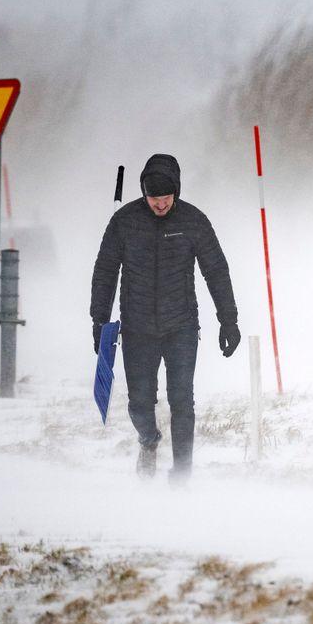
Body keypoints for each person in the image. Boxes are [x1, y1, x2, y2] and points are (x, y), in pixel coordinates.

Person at [90, 153, 240, 484]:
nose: (160, 204)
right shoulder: (125, 222)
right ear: (144, 194)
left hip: (181, 326)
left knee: (182, 400)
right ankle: (148, 440)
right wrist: (99, 319)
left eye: (166, 198)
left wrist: (228, 320)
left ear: (177, 192)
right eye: (153, 198)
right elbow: (105, 270)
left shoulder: (194, 221)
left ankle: (182, 473)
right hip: (138, 328)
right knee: (139, 403)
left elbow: (216, 270)